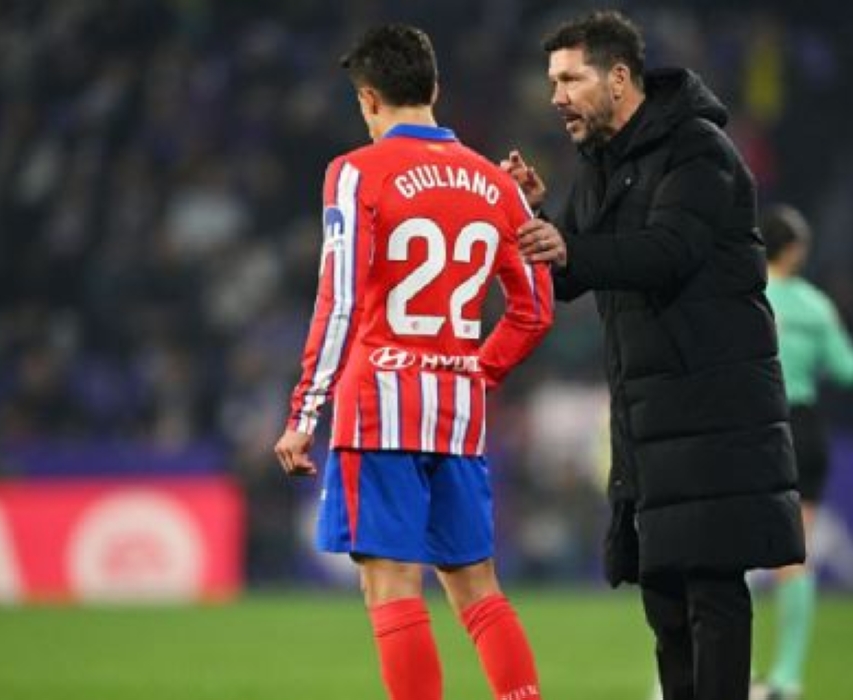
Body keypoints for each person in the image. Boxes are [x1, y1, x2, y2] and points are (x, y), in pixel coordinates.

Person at [505, 11, 804, 700]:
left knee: (712, 586)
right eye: (552, 81)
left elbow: (669, 253)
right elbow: (571, 271)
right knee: (665, 596)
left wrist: (569, 245)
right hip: (650, 415)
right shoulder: (604, 166)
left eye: (570, 78)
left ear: (618, 77)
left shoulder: (698, 150)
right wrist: (534, 221)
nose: (555, 96)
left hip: (715, 408)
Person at [273, 24, 553, 700]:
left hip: (377, 409)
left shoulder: (354, 172)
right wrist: (476, 373)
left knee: (391, 586)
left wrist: (303, 413)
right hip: (457, 414)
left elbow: (338, 300)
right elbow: (534, 307)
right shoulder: (497, 183)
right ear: (435, 89)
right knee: (478, 590)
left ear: (368, 99)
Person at [754, 204, 853, 700]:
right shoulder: (817, 306)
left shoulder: (750, 295)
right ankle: (788, 676)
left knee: (729, 547)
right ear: (795, 250)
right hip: (806, 429)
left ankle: (726, 665)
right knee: (795, 557)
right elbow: (849, 369)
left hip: (757, 425)